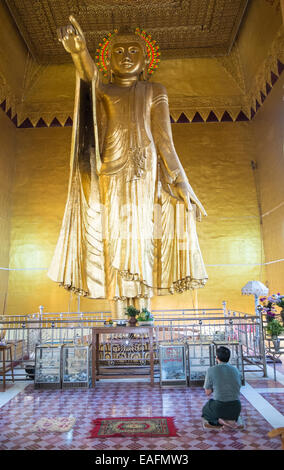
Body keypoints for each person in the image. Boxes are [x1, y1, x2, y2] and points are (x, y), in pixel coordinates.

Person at [48, 16, 208, 316]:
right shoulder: (106, 90)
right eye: (118, 52)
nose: (126, 56)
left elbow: (164, 140)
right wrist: (78, 53)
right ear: (108, 61)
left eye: (133, 51)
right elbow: (89, 77)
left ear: (146, 59)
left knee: (142, 235)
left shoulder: (154, 90)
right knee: (117, 237)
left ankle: (144, 313)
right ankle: (118, 316)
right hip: (111, 169)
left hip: (144, 171)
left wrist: (180, 180)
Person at [202, 346, 242, 430]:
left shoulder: (211, 370)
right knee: (231, 414)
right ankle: (230, 421)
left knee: (206, 410)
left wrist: (215, 386)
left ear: (217, 357)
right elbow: (237, 387)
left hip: (219, 406)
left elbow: (207, 392)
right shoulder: (236, 370)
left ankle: (221, 421)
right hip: (236, 407)